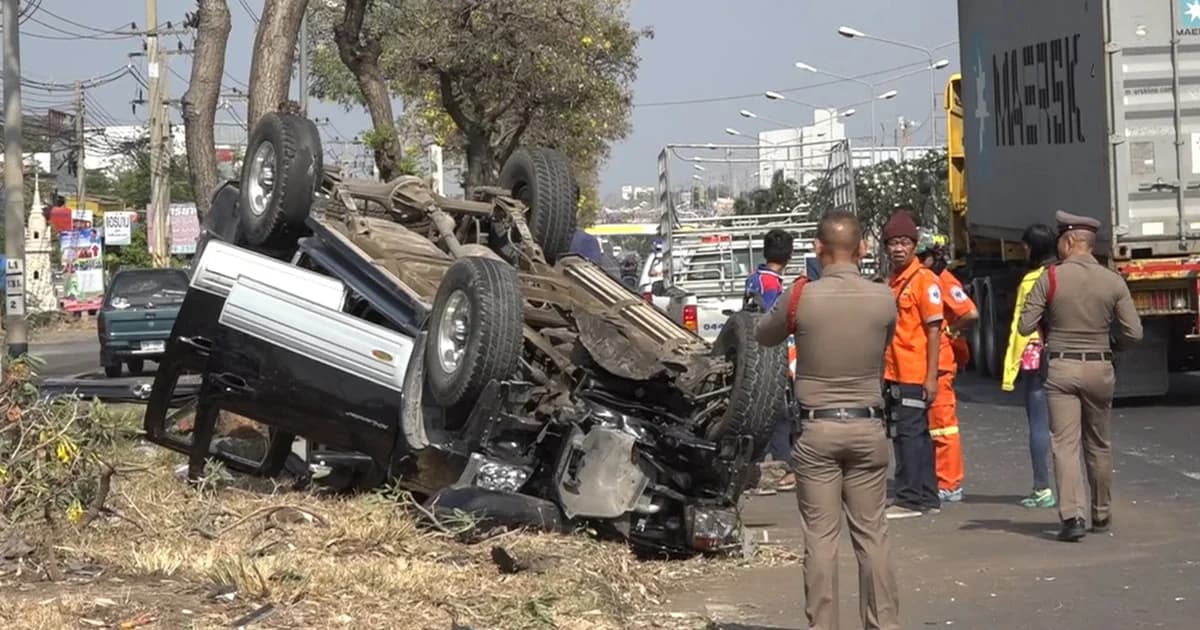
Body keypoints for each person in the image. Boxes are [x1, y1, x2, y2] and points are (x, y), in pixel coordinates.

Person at [755, 209, 900, 630]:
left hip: (817, 431)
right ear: (864, 248)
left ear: (818, 248)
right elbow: (884, 343)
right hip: (868, 426)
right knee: (872, 537)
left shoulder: (801, 296)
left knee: (820, 541)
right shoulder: (883, 297)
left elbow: (765, 334)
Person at [1018, 210, 1143, 542]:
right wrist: (1111, 345)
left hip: (1061, 368)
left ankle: (1072, 517)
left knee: (1065, 444)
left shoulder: (1051, 277)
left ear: (1070, 241)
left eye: (1061, 239)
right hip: (1100, 367)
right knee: (1099, 443)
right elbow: (1134, 332)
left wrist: (1047, 313)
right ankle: (1101, 514)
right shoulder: (1112, 280)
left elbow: (1024, 326)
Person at [880, 210, 943, 519]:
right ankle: (928, 497)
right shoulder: (893, 281)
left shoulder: (924, 281)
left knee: (909, 435)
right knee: (913, 435)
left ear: (915, 245)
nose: (899, 248)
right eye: (893, 243)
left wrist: (931, 377)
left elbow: (934, 330)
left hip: (915, 373)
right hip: (895, 371)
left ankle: (909, 499)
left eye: (904, 242)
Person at [915, 230, 978, 503]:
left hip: (939, 363)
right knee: (931, 427)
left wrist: (949, 331)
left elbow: (970, 312)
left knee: (943, 426)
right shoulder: (922, 279)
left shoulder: (941, 281)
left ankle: (950, 484)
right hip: (924, 362)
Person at [1002, 224, 1059, 509]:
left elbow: (1019, 329)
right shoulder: (1065, 275)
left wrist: (1009, 371)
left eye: (1025, 246)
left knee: (1039, 425)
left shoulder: (1030, 281)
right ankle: (1072, 485)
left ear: (1033, 248)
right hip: (1068, 357)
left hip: (1038, 361)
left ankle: (1042, 488)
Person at [744, 228, 797, 492]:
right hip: (772, 356)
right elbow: (774, 320)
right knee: (779, 416)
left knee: (770, 416)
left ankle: (768, 469)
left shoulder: (755, 278)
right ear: (789, 255)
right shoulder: (773, 285)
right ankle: (780, 469)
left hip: (755, 355)